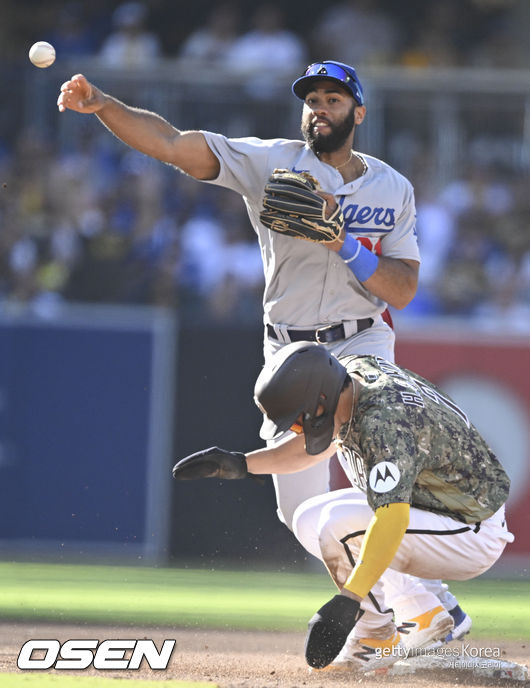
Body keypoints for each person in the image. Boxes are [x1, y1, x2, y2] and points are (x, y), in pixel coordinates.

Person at [57, 59, 468, 647]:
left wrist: (343, 242)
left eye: (332, 99)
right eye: (312, 100)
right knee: (299, 511)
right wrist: (104, 107)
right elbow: (174, 144)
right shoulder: (272, 162)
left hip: (362, 340)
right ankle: (418, 606)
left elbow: (401, 289)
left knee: (371, 483)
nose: (319, 109)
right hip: (292, 349)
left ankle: (408, 617)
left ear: (359, 112)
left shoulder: (390, 186)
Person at [172, 341, 513, 672]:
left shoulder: (383, 422)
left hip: (470, 527)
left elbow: (392, 520)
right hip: (436, 510)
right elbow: (315, 446)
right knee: (309, 519)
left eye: (296, 419)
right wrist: (243, 464)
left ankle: (375, 637)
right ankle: (423, 612)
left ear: (321, 399)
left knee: (340, 525)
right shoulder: (350, 379)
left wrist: (350, 600)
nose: (295, 428)